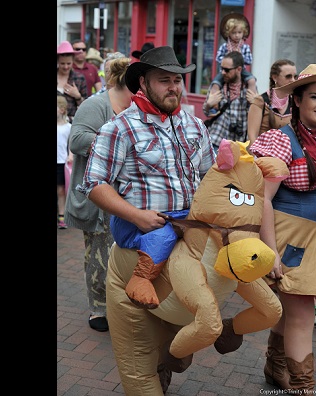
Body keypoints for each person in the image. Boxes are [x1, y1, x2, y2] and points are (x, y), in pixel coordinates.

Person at [77, 46, 215, 395]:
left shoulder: (193, 124)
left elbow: (210, 177)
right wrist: (135, 215)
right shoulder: (119, 128)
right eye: (164, 80)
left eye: (178, 80)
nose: (174, 87)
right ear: (143, 83)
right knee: (141, 358)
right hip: (138, 250)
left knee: (176, 342)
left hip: (188, 246)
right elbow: (94, 184)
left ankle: (166, 362)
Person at [249, 64, 316, 393]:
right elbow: (262, 199)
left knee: (289, 310)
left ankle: (275, 366)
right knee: (303, 314)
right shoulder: (280, 141)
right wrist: (270, 251)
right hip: (290, 239)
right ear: (298, 101)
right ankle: (302, 388)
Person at [65, 56, 134, 332]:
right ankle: (99, 309)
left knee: (122, 253)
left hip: (126, 196)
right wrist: (113, 140)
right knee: (98, 255)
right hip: (97, 196)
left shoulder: (134, 107)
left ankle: (119, 304)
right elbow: (77, 140)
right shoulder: (95, 105)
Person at [202, 51, 255, 152]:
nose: (222, 72)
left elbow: (255, 116)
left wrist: (254, 103)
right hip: (217, 141)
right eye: (221, 69)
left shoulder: (249, 88)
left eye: (226, 70)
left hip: (240, 143)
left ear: (239, 69)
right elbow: (207, 113)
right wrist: (208, 105)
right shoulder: (217, 87)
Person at [247, 59, 297, 145]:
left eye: (295, 77)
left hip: (286, 156)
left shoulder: (295, 103)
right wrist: (257, 157)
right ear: (275, 77)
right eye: (288, 76)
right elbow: (252, 137)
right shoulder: (260, 101)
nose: (293, 80)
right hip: (261, 154)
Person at [209, 13, 257, 96]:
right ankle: (214, 102)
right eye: (234, 33)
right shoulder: (225, 46)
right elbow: (218, 58)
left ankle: (253, 99)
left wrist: (240, 56)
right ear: (229, 33)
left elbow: (249, 60)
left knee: (252, 80)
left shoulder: (245, 47)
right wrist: (227, 59)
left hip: (241, 70)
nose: (237, 35)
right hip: (225, 71)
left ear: (243, 33)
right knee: (215, 83)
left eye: (239, 32)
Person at [57, 41, 88, 122]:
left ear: (73, 62)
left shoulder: (79, 78)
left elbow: (86, 107)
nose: (66, 67)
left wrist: (78, 96)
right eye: (62, 63)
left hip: (71, 123)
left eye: (68, 63)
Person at [57, 95, 73, 229]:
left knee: (62, 190)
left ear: (62, 110)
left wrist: (70, 155)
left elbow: (71, 143)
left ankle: (62, 215)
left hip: (62, 162)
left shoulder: (68, 127)